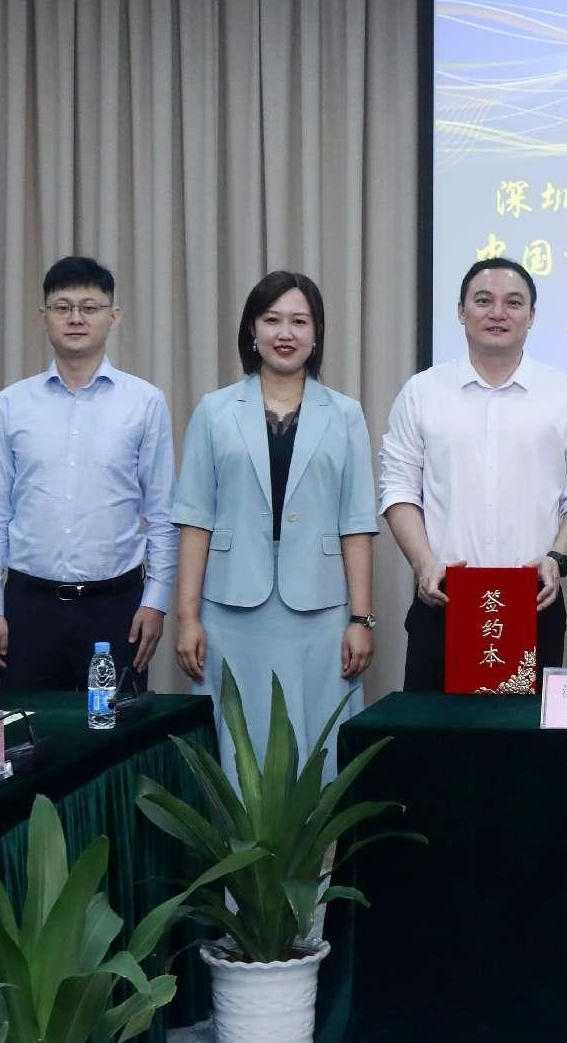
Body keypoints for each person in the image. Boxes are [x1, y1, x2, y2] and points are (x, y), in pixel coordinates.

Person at [171, 272, 377, 781]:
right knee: (241, 747)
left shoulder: (345, 414)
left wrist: (362, 619)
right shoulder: (215, 411)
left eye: (299, 322)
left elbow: (356, 524)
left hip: (321, 611)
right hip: (231, 610)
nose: (285, 333)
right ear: (252, 330)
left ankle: (315, 839)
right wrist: (188, 617)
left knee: (318, 745)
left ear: (316, 333)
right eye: (272, 320)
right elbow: (195, 519)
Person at [379, 257, 567, 691]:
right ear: (461, 311)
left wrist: (557, 558)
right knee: (433, 731)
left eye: (513, 303)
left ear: (531, 316)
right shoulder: (422, 392)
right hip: (443, 595)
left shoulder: (566, 394)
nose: (497, 313)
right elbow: (398, 488)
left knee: (524, 733)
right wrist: (424, 564)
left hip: (534, 600)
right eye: (483, 301)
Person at [0, 256, 177, 692]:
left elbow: (162, 513)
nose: (76, 318)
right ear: (43, 317)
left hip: (117, 607)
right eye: (62, 307)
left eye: (90, 307)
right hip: (28, 606)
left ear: (113, 317)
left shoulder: (145, 402)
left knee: (113, 731)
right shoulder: (12, 404)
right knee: (27, 731)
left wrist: (156, 602)